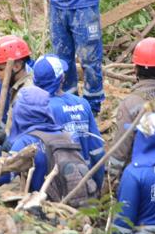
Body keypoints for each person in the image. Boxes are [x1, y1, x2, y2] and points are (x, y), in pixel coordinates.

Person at [0, 85, 97, 207]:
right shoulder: (65, 135)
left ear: (21, 112)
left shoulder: (24, 143)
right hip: (66, 205)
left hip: (42, 210)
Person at [106, 38, 155, 193]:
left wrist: (107, 189)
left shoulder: (130, 104)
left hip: (142, 181)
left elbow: (119, 154)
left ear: (135, 69)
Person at [31, 54, 105, 188]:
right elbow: (97, 151)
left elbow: (37, 157)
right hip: (85, 181)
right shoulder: (82, 104)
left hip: (55, 186)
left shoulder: (39, 110)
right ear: (62, 78)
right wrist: (97, 186)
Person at [0, 35, 33, 132]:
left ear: (17, 66)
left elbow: (24, 135)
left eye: (0, 69)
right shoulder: (17, 88)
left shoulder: (26, 94)